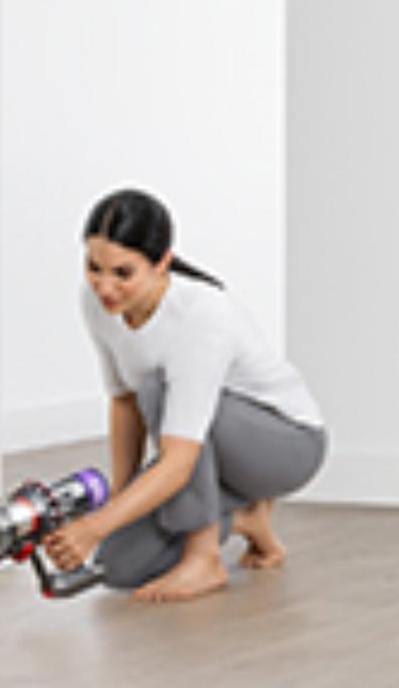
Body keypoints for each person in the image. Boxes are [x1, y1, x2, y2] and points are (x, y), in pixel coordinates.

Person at [44, 189, 330, 604]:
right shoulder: (97, 303)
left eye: (123, 274)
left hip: (286, 446)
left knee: (159, 388)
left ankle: (204, 556)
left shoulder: (201, 318)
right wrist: (120, 506)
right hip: (207, 450)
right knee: (118, 567)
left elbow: (178, 463)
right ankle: (247, 521)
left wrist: (93, 527)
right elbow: (124, 402)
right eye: (94, 267)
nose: (105, 287)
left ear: (162, 263)